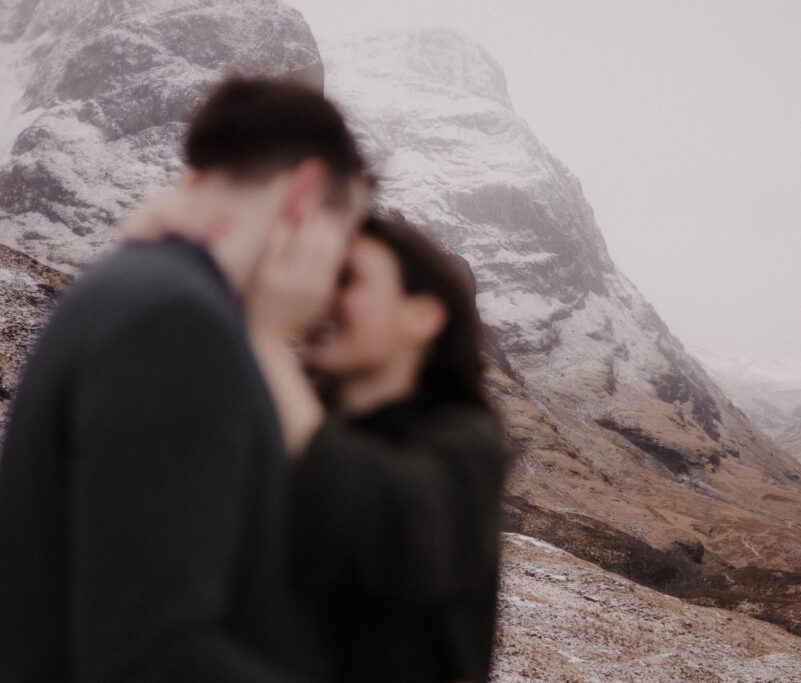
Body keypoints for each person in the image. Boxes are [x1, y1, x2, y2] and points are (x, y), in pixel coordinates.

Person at [0, 76, 371, 681]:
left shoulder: (135, 289)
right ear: (303, 196)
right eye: (344, 236)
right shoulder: (179, 324)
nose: (332, 285)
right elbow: (151, 651)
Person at [246, 214, 508, 682]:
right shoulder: (301, 423)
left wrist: (262, 337)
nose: (321, 298)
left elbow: (395, 526)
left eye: (347, 279)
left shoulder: (469, 443)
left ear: (423, 316)